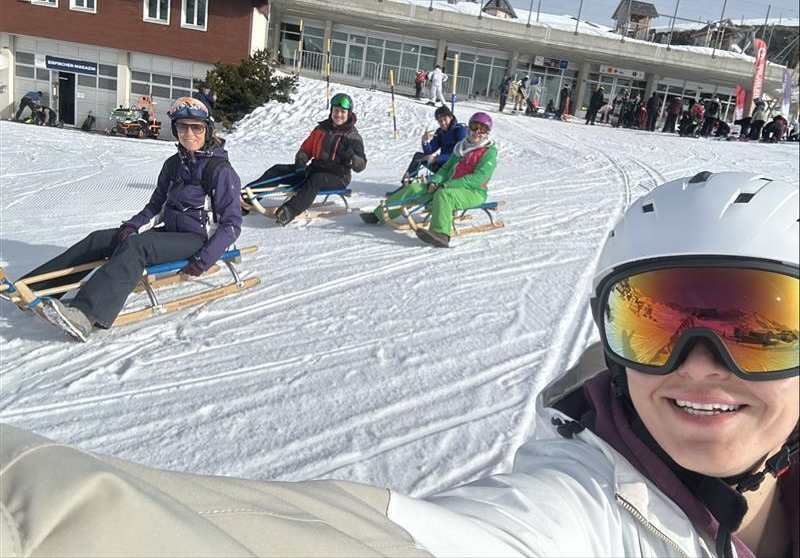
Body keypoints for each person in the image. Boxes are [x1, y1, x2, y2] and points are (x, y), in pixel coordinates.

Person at [3, 171, 796, 557]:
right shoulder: (581, 510)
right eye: (655, 322)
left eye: (761, 328)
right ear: (609, 342)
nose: (700, 366)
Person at [20, 97, 242, 342]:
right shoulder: (173, 165)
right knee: (100, 239)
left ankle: (85, 315)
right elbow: (157, 205)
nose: (189, 134)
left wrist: (203, 260)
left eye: (196, 127)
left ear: (207, 130)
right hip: (171, 232)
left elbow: (231, 225)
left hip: (198, 239)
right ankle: (33, 289)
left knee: (138, 247)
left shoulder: (220, 171)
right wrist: (132, 226)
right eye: (182, 127)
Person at [360, 112, 497, 249]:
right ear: (469, 127)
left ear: (487, 133)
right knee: (413, 188)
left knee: (444, 195)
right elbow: (445, 169)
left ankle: (441, 234)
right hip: (447, 186)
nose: (477, 132)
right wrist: (435, 182)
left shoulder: (488, 152)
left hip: (473, 192)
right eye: (474, 126)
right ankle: (378, 215)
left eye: (482, 129)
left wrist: (446, 185)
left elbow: (478, 178)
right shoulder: (461, 148)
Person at [241, 93, 366, 226]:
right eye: (336, 110)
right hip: (314, 170)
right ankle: (245, 199)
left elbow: (361, 164)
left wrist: (352, 158)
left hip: (338, 177)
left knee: (316, 179)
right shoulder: (321, 129)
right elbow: (306, 149)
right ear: (331, 111)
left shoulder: (353, 137)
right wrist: (300, 163)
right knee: (278, 170)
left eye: (343, 112)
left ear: (348, 114)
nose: (338, 115)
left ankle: (290, 210)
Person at [397, 105, 467, 186]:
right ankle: (406, 184)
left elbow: (459, 154)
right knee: (418, 156)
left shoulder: (460, 131)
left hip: (454, 169)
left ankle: (433, 181)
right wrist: (425, 141)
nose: (443, 123)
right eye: (440, 121)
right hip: (442, 166)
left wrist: (437, 158)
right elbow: (429, 151)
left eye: (445, 119)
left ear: (450, 117)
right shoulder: (440, 132)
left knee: (428, 179)